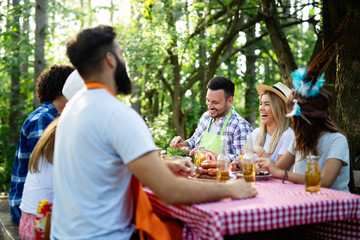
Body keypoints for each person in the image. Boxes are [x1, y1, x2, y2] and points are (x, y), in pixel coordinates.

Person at [51, 25, 257, 239]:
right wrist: (230, 188)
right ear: (110, 59)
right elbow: (170, 192)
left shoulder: (71, 111)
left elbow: (103, 169)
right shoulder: (118, 115)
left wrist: (165, 165)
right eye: (122, 54)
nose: (125, 62)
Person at [256, 33, 350, 192]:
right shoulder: (300, 141)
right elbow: (276, 170)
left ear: (304, 118)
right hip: (303, 202)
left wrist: (282, 174)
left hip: (332, 207)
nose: (291, 122)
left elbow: (325, 181)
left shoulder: (337, 140)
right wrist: (255, 168)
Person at [9, 64, 74, 224]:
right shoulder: (43, 120)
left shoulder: (55, 118)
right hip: (28, 209)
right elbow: (48, 169)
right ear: (62, 90)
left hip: (42, 204)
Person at [170, 76, 253, 162]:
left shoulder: (240, 126)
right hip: (199, 173)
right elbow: (194, 141)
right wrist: (184, 144)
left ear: (229, 101)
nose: (209, 106)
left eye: (215, 102)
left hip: (224, 174)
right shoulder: (205, 117)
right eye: (208, 100)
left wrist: (214, 155)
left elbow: (245, 161)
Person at [232, 82, 294, 171]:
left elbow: (279, 172)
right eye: (261, 103)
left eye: (267, 104)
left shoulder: (288, 135)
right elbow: (247, 163)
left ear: (279, 109)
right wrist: (238, 164)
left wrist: (260, 151)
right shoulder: (256, 133)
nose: (261, 108)